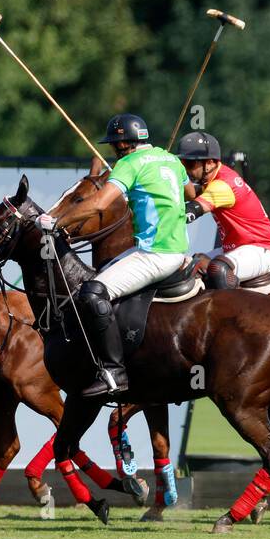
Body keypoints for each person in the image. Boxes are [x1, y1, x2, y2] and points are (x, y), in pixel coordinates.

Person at [56, 114, 191, 397]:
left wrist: (58, 222)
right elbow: (190, 192)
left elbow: (98, 204)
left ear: (125, 144)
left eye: (115, 145)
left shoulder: (128, 163)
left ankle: (114, 371)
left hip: (155, 254)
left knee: (93, 292)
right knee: (96, 278)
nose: (114, 151)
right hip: (177, 250)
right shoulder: (170, 160)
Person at [176, 132, 270, 289]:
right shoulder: (211, 179)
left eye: (190, 165)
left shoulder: (223, 185)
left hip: (260, 250)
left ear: (210, 163)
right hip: (236, 248)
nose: (186, 170)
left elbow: (189, 212)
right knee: (188, 265)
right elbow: (188, 192)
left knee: (219, 270)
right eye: (182, 165)